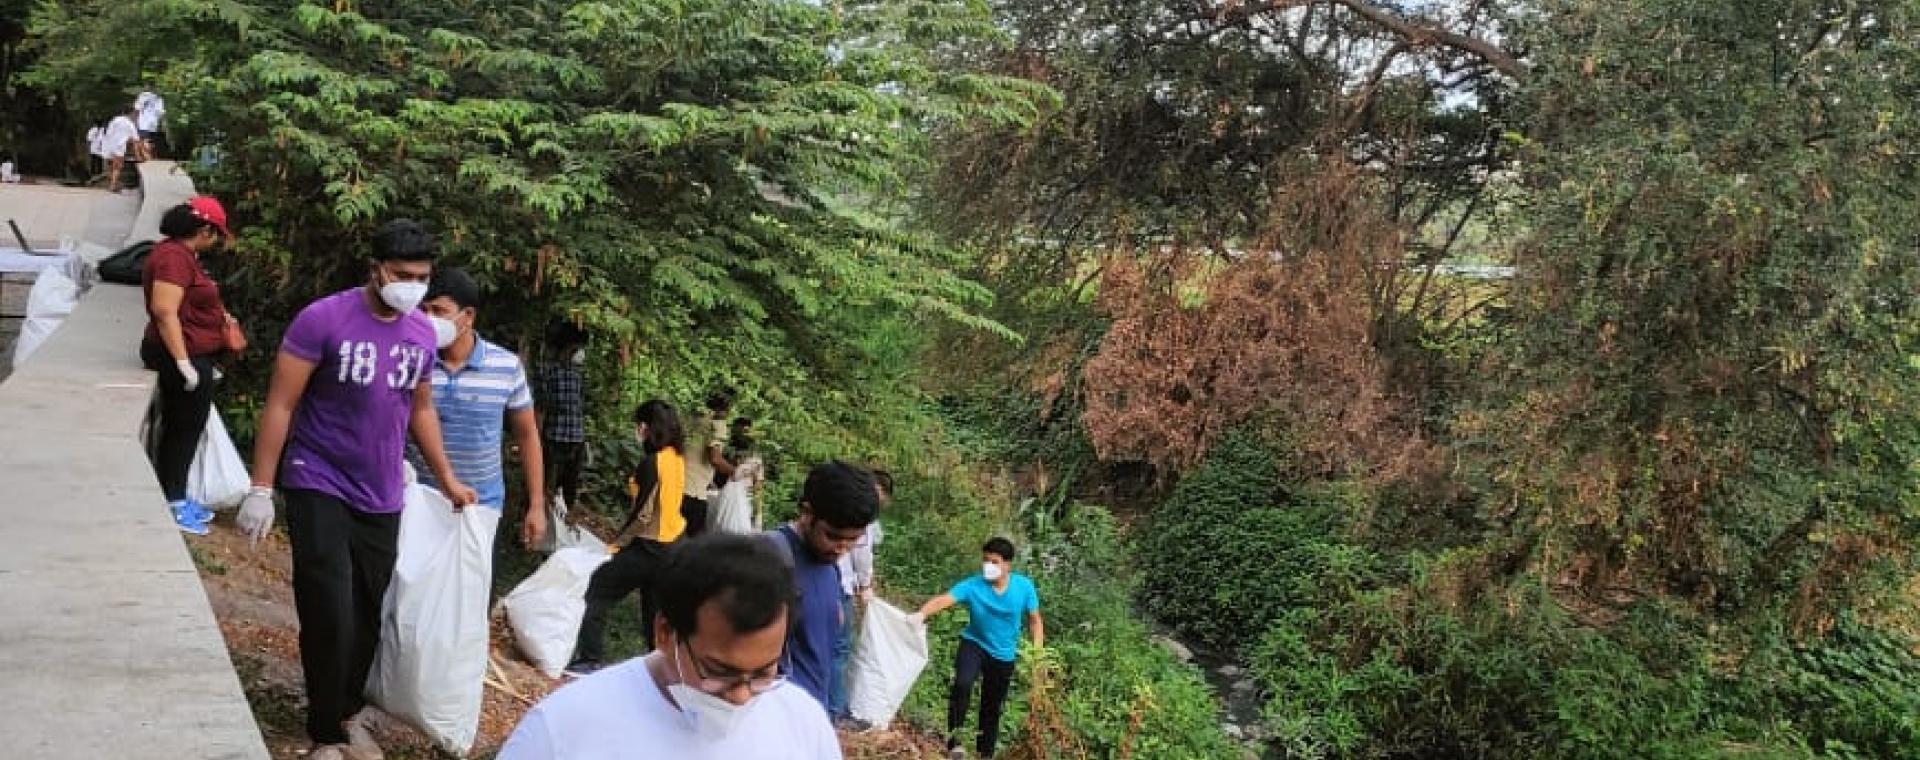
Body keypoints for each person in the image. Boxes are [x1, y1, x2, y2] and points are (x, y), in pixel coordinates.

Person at [234, 218, 478, 760]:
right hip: (317, 475)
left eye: (421, 278)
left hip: (382, 490)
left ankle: (344, 711)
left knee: (367, 616)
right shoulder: (323, 319)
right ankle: (324, 732)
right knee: (329, 607)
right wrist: (261, 487)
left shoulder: (420, 334)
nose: (411, 286)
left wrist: (447, 478)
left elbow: (420, 409)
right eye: (402, 275)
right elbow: (282, 403)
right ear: (375, 269)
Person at [496, 533, 840, 759]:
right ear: (665, 632)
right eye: (719, 671)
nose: (741, 696)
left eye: (764, 673)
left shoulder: (802, 724)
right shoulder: (564, 729)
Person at [408, 267, 546, 547]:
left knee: (470, 574)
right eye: (424, 310)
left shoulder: (505, 366)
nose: (429, 319)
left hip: (479, 505)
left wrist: (536, 504)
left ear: (468, 316)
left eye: (439, 311)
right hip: (417, 499)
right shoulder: (410, 359)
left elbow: (527, 434)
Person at [566, 400, 688, 676]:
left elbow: (643, 515)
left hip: (649, 547)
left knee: (596, 589)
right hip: (674, 546)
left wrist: (616, 544)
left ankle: (589, 658)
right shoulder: (676, 458)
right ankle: (663, 670)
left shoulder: (652, 463)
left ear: (646, 427)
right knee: (655, 612)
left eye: (639, 425)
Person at [139, 197, 235, 535]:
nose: (216, 241)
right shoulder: (173, 258)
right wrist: (183, 362)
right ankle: (174, 501)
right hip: (178, 355)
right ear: (205, 229)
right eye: (216, 234)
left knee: (188, 428)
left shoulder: (181, 255)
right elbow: (165, 310)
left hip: (192, 353)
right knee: (183, 429)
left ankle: (176, 494)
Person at [910, 537, 1046, 760]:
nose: (988, 566)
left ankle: (985, 754)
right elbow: (945, 599)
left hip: (1003, 653)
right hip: (974, 643)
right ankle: (955, 744)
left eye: (994, 562)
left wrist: (1037, 653)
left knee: (992, 706)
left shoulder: (1023, 588)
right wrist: (921, 614)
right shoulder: (973, 585)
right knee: (962, 685)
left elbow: (1035, 620)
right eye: (985, 561)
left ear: (1007, 564)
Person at [766, 461, 879, 709]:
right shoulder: (770, 558)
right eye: (832, 536)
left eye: (853, 540)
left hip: (813, 714)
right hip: (778, 713)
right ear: (807, 512)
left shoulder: (830, 568)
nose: (842, 548)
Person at [829, 470, 888, 727]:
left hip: (828, 579)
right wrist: (865, 585)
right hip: (840, 583)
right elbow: (862, 556)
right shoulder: (863, 517)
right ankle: (836, 710)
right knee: (839, 647)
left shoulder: (836, 504)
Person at [537, 322, 589, 509]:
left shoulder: (578, 373)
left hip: (576, 440)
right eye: (576, 348)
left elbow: (579, 406)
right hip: (555, 440)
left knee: (570, 491)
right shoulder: (549, 372)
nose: (580, 352)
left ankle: (566, 517)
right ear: (568, 347)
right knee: (548, 487)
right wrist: (537, 439)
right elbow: (541, 407)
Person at [681, 389, 735, 537]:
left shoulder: (692, 420)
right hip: (693, 492)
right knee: (695, 542)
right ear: (726, 409)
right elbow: (715, 459)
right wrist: (736, 472)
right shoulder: (717, 425)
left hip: (676, 485)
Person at [708, 419, 764, 534]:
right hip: (729, 498)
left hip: (728, 499)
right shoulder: (753, 460)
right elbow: (758, 487)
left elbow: (758, 486)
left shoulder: (724, 453)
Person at [102, 107, 140, 193]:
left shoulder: (115, 120)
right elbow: (136, 140)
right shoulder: (129, 124)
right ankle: (112, 186)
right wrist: (138, 155)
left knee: (111, 166)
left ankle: (113, 183)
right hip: (119, 147)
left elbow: (108, 132)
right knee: (117, 167)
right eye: (135, 114)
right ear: (131, 113)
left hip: (109, 146)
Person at [134, 91, 165, 160]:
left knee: (145, 140)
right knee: (150, 141)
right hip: (153, 124)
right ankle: (149, 157)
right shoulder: (159, 98)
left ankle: (147, 157)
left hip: (143, 124)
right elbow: (161, 112)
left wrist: (136, 120)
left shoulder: (143, 95)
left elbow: (137, 108)